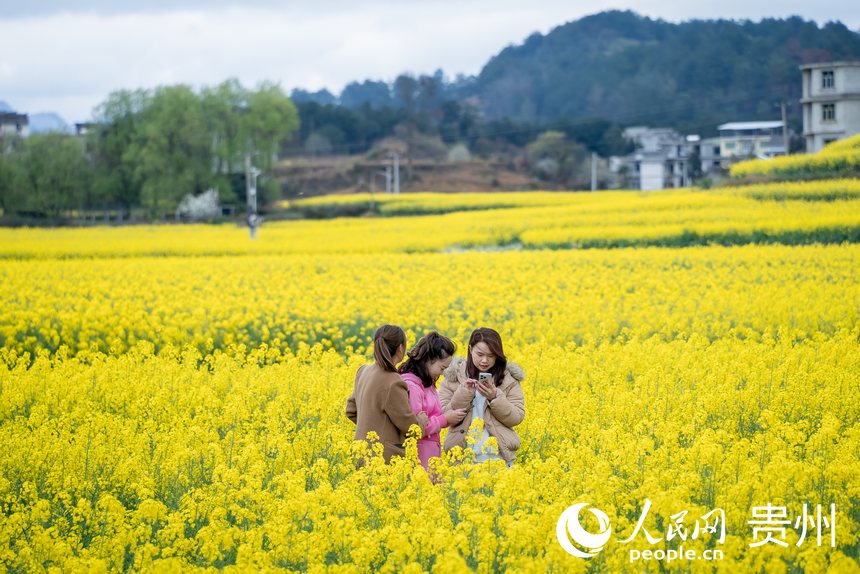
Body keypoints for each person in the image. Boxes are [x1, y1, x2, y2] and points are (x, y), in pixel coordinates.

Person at [439, 327, 525, 466]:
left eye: (491, 356)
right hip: (462, 456)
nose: (485, 360)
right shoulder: (453, 377)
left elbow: (516, 417)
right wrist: (464, 393)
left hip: (498, 457)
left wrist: (495, 397)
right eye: (480, 354)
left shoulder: (509, 380)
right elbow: (443, 415)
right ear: (470, 349)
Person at [345, 325, 428, 463]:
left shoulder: (363, 371)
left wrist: (371, 430)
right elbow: (410, 428)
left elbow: (351, 411)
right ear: (401, 348)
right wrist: (421, 421)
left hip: (360, 453)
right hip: (383, 460)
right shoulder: (393, 381)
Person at [398, 331, 468, 471]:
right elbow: (415, 428)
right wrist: (444, 420)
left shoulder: (427, 384)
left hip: (430, 454)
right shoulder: (412, 387)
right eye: (442, 368)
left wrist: (448, 418)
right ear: (428, 360)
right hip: (419, 456)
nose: (443, 373)